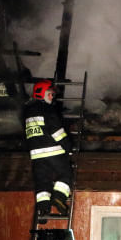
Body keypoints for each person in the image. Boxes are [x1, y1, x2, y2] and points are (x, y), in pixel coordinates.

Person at [23, 79, 73, 221]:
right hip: (54, 151)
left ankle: (43, 210)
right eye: (50, 94)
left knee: (42, 182)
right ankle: (59, 198)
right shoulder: (47, 110)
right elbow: (57, 132)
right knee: (66, 175)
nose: (52, 97)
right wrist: (68, 147)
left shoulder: (27, 112)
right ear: (41, 94)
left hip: (36, 155)